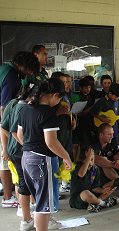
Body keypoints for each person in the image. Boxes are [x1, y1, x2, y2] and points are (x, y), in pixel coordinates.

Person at [17, 78, 73, 231]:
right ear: (54, 95)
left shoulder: (25, 108)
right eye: (59, 98)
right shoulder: (48, 112)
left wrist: (32, 147)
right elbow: (51, 142)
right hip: (42, 160)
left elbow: (20, 135)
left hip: (26, 157)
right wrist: (66, 156)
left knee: (38, 199)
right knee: (44, 204)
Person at [0, 51, 39, 213]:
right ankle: (8, 197)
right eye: (29, 70)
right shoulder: (11, 77)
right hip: (3, 125)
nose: (29, 74)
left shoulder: (5, 68)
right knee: (6, 159)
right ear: (22, 65)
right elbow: (4, 109)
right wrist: (10, 137)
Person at [1, 87, 36, 230]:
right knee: (24, 183)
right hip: (19, 151)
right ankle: (26, 218)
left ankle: (27, 212)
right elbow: (6, 128)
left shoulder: (19, 104)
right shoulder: (19, 105)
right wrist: (11, 146)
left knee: (26, 182)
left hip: (21, 149)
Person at [70, 146, 119, 213]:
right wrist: (88, 158)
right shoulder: (77, 166)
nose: (91, 162)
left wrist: (102, 190)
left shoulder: (95, 169)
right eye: (89, 159)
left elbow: (94, 188)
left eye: (92, 159)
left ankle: (95, 203)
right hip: (79, 199)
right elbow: (81, 174)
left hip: (92, 196)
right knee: (86, 193)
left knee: (115, 182)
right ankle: (104, 204)